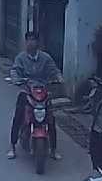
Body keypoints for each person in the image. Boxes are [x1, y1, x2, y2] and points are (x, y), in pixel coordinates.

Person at [8, 31, 64, 161]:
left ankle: (53, 150)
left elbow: (54, 70)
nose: (31, 43)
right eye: (28, 40)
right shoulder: (21, 58)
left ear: (38, 42)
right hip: (27, 91)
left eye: (33, 40)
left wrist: (58, 77)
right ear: (25, 42)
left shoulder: (45, 58)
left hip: (43, 92)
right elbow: (15, 70)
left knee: (50, 119)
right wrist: (15, 79)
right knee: (18, 115)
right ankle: (12, 146)